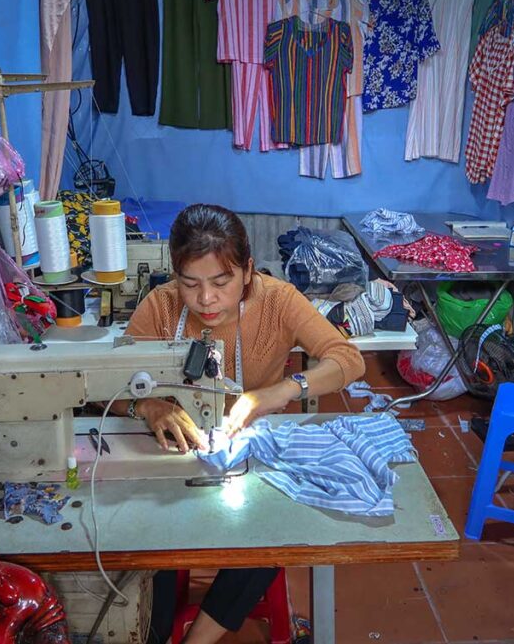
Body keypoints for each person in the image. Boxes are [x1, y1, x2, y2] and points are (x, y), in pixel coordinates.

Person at [125, 204, 365, 644]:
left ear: (248, 271)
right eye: (190, 283)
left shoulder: (278, 302)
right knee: (150, 537)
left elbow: (348, 359)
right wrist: (150, 406)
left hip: (250, 454)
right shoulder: (160, 307)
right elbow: (114, 381)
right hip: (176, 455)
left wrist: (282, 390)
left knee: (273, 532)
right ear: (175, 276)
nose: (206, 299)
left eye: (221, 282)